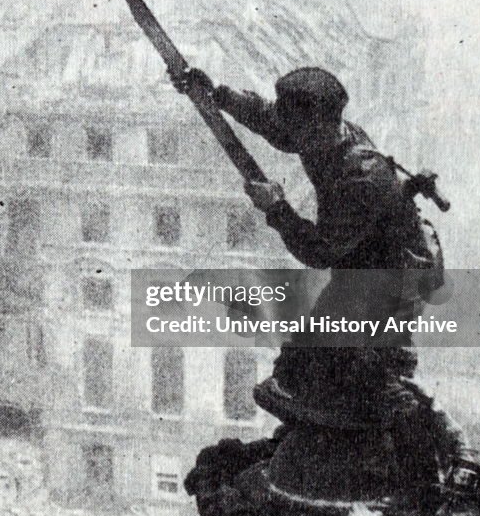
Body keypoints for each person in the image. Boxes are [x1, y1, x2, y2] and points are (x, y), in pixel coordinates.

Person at [172, 65, 441, 338]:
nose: (288, 134)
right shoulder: (324, 134)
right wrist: (218, 93)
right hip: (360, 261)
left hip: (392, 283)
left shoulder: (359, 177)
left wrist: (276, 208)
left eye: (295, 128)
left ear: (315, 127)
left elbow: (319, 253)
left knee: (330, 363)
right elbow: (270, 121)